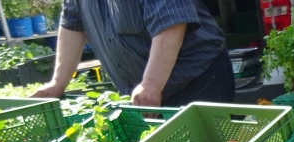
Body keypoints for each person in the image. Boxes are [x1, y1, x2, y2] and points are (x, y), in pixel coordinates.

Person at [31, 0, 235, 107]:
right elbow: (72, 23)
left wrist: (151, 84)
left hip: (197, 82)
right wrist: (57, 83)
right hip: (145, 94)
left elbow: (173, 23)